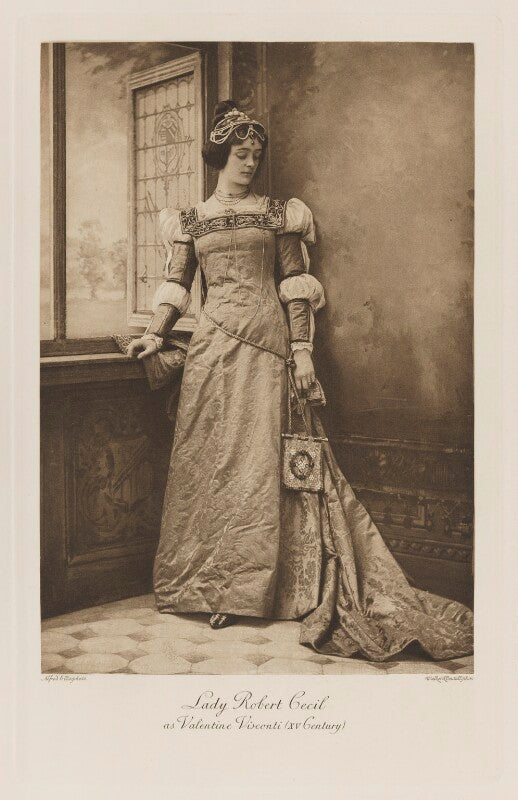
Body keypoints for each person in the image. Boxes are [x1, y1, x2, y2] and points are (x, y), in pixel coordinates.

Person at [128, 101, 473, 661]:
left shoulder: (276, 214)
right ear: (220, 156)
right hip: (212, 350)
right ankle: (211, 586)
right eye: (241, 154)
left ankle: (272, 587)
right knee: (212, 462)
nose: (250, 163)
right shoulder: (190, 220)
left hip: (268, 346)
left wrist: (303, 352)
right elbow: (178, 283)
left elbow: (294, 284)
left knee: (263, 461)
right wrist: (154, 333)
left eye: (255, 155)